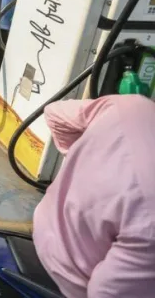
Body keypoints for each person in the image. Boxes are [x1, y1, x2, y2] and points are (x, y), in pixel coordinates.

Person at [33, 95, 155, 298]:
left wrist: (79, 164)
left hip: (43, 222)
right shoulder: (150, 221)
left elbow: (55, 114)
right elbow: (105, 292)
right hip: (69, 275)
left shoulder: (133, 105)